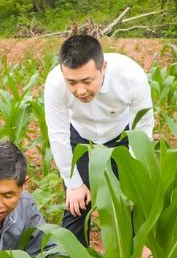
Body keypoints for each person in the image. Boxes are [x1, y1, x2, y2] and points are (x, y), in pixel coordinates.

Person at [44, 35, 154, 246]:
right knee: (76, 206)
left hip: (122, 136)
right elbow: (58, 134)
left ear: (103, 67)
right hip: (81, 137)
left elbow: (143, 129)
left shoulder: (131, 76)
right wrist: (73, 183)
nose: (80, 90)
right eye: (72, 82)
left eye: (87, 81)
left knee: (132, 204)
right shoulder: (55, 84)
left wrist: (134, 174)